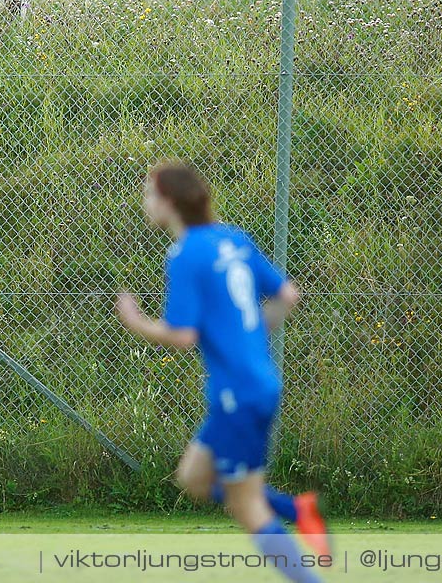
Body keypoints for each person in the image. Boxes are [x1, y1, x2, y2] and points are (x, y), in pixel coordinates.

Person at [115, 160, 330, 582]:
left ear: (169, 201)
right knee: (193, 478)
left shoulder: (185, 253)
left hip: (239, 390)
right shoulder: (232, 238)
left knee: (246, 507)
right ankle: (295, 508)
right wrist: (248, 331)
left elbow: (182, 335)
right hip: (255, 382)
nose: (144, 202)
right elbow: (288, 294)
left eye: (148, 193)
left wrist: (135, 320)